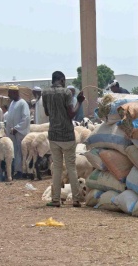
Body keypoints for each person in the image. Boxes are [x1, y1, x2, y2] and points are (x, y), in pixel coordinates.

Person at [42, 71, 83, 208]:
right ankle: (76, 199)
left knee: (57, 168)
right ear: (62, 80)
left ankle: (55, 199)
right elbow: (71, 114)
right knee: (71, 167)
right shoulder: (66, 93)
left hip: (53, 135)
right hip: (67, 135)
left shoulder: (45, 93)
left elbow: (47, 112)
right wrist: (79, 102)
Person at [6, 86, 31, 178]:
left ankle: (21, 171)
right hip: (12, 133)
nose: (8, 95)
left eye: (10, 93)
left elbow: (26, 118)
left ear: (15, 93)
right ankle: (16, 170)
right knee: (14, 151)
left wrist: (17, 128)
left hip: (20, 132)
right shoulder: (12, 103)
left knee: (21, 152)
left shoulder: (22, 103)